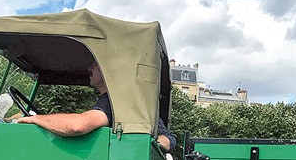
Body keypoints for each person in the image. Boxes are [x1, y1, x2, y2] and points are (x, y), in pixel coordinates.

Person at [16, 63, 176, 152]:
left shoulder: (112, 102)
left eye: (95, 64)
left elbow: (77, 126)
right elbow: (168, 139)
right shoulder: (123, 103)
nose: (89, 68)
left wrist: (35, 119)